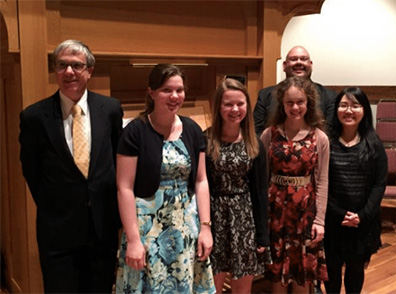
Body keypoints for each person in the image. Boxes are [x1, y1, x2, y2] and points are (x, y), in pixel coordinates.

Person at [19, 39, 123, 293]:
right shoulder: (34, 117)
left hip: (102, 227)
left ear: (89, 71)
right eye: (62, 65)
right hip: (57, 230)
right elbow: (31, 171)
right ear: (55, 70)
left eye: (76, 65)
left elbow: (116, 161)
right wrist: (55, 205)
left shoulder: (110, 109)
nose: (69, 72)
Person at [115, 64, 215, 293]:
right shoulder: (134, 131)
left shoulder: (192, 129)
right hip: (146, 229)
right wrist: (132, 240)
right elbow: (124, 188)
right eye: (166, 90)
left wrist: (205, 227)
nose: (174, 96)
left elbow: (201, 181)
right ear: (151, 92)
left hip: (185, 226)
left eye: (179, 90)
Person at [260, 76, 329, 293]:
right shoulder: (269, 134)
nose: (295, 107)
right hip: (276, 211)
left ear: (308, 103)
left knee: (302, 276)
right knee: (277, 276)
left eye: (300, 102)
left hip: (305, 213)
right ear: (282, 104)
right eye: (290, 102)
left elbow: (323, 181)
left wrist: (320, 221)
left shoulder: (320, 138)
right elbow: (262, 179)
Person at [204, 78, 270, 294]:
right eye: (228, 104)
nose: (235, 109)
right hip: (214, 217)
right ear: (218, 107)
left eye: (240, 104)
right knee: (210, 286)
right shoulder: (206, 139)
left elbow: (260, 191)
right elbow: (199, 185)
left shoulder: (254, 142)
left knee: (242, 288)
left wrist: (262, 234)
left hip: (244, 218)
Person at [324, 87, 388, 294]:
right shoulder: (327, 141)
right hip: (333, 220)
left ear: (364, 110)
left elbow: (379, 184)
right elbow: (321, 182)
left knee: (356, 269)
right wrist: (340, 214)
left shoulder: (374, 143)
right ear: (336, 110)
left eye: (355, 105)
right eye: (343, 105)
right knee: (331, 271)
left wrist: (362, 215)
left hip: (363, 221)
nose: (349, 111)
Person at [254, 46, 337, 135]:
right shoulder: (265, 95)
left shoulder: (330, 96)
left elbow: (330, 133)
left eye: (304, 59)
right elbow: (257, 132)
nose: (298, 62)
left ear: (311, 64)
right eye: (293, 59)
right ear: (284, 65)